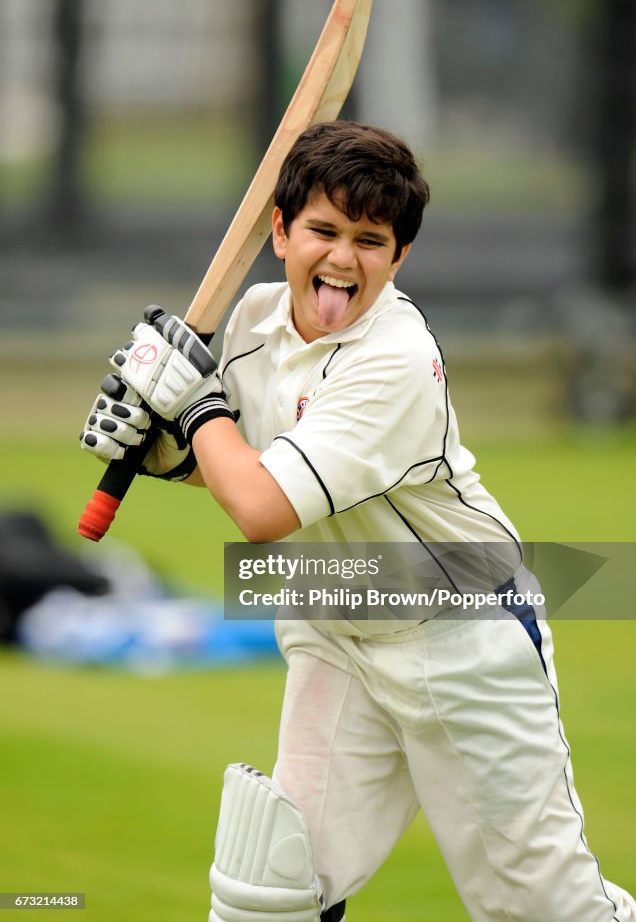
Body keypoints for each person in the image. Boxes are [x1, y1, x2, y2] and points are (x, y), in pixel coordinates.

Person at [80, 121, 635, 922]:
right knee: (267, 889)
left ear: (400, 257)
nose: (343, 259)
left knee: (544, 911)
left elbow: (264, 509)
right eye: (324, 231)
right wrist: (163, 450)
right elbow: (245, 465)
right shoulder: (256, 323)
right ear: (280, 231)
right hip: (334, 618)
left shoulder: (397, 358)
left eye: (371, 241)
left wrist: (191, 403)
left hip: (460, 632)